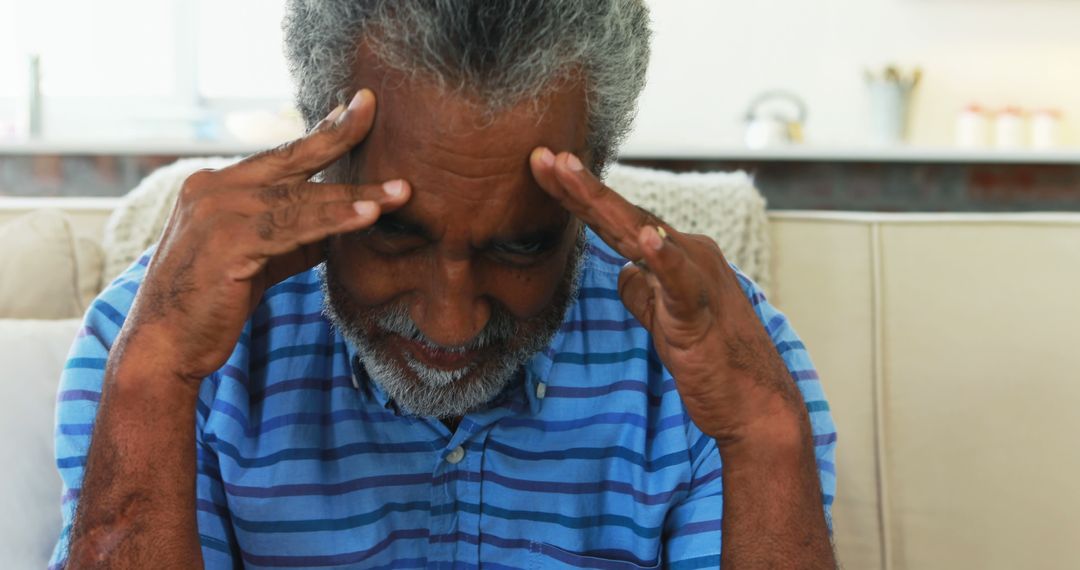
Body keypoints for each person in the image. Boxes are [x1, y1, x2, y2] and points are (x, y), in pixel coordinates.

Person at [53, 1, 837, 568]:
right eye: (395, 229)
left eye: (522, 244)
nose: (453, 324)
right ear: (320, 149)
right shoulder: (150, 337)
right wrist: (155, 372)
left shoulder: (725, 362)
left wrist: (764, 438)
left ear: (595, 179)